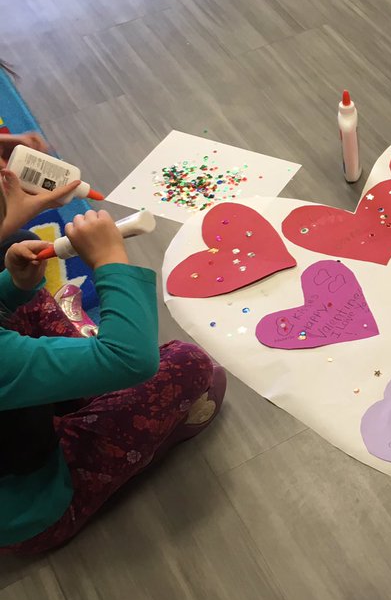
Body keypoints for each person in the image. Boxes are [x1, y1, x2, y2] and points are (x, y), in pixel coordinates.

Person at [0, 207, 226, 553]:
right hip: (35, 509)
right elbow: (132, 359)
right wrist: (110, 259)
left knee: (20, 257)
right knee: (189, 363)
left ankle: (83, 365)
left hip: (18, 420)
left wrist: (12, 286)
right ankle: (110, 390)